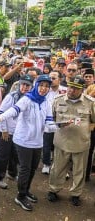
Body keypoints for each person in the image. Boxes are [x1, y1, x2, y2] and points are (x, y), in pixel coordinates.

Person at [0, 75, 56, 211]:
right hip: (23, 140)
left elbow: (49, 122)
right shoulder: (27, 99)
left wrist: (61, 126)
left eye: (47, 86)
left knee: (32, 168)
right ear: (36, 86)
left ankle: (26, 190)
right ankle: (20, 196)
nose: (43, 89)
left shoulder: (46, 102)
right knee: (24, 168)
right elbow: (14, 110)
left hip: (37, 142)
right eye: (41, 85)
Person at [48, 76, 95, 206]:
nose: (71, 90)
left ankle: (76, 194)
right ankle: (53, 189)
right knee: (57, 168)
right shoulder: (58, 100)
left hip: (81, 143)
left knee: (79, 171)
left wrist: (86, 130)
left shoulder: (90, 102)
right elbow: (51, 118)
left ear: (82, 90)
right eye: (70, 87)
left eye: (75, 88)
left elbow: (94, 121)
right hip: (62, 142)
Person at [0, 74, 34, 189]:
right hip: (5, 130)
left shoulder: (30, 99)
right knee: (2, 155)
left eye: (28, 86)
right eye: (23, 85)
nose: (25, 87)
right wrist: (5, 130)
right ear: (19, 85)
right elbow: (2, 113)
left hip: (18, 132)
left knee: (15, 155)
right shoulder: (11, 97)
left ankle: (12, 173)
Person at [41, 71, 67, 174]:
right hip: (48, 122)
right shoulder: (45, 90)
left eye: (53, 78)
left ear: (60, 79)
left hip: (62, 122)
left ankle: (60, 167)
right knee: (46, 144)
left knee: (61, 145)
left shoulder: (65, 91)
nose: (51, 80)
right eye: (50, 78)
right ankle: (46, 164)